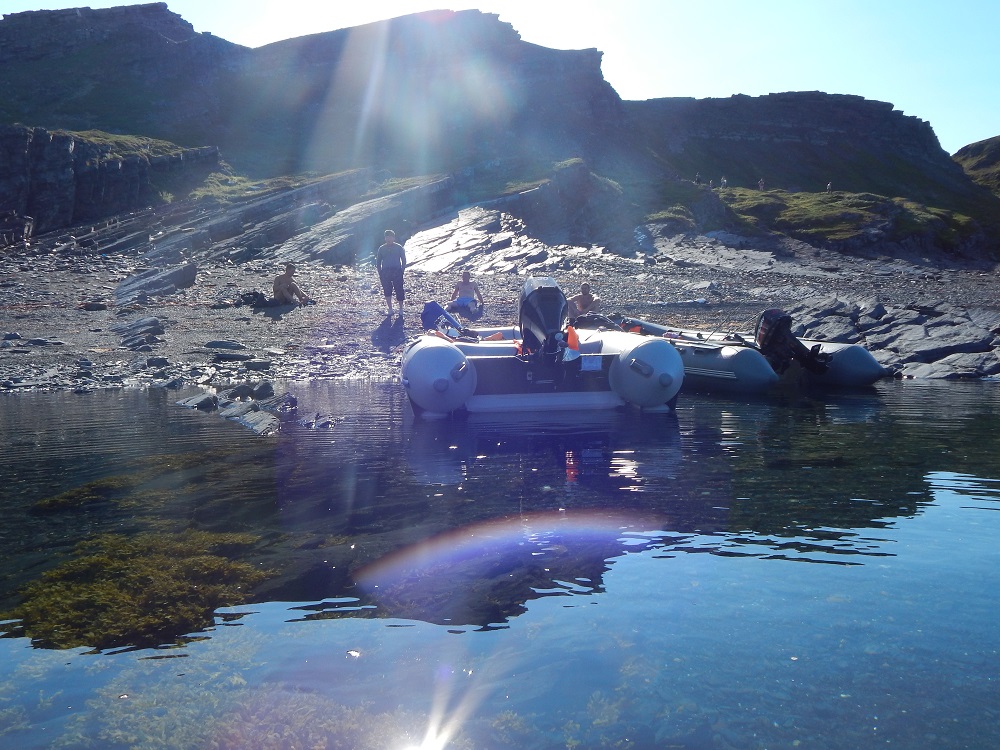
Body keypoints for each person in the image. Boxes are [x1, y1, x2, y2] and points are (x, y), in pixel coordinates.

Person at [375, 229, 406, 315]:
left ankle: (401, 309)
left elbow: (403, 260)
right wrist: (380, 273)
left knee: (399, 289)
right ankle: (390, 309)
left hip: (397, 271)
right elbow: (378, 262)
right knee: (387, 290)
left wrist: (402, 270)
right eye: (387, 237)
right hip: (385, 272)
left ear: (394, 238)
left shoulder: (399, 247)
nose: (389, 239)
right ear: (385, 238)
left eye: (390, 237)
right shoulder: (381, 248)